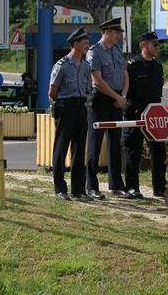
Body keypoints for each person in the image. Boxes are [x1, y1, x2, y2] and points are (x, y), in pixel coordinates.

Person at [86, 17, 129, 200]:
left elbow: (125, 74)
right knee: (95, 143)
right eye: (117, 32)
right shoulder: (94, 52)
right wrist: (117, 97)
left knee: (114, 143)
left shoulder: (117, 51)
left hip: (118, 99)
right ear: (107, 32)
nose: (119, 35)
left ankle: (116, 184)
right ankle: (92, 186)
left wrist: (123, 96)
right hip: (101, 100)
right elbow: (97, 80)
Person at [48, 27, 91, 201]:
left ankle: (79, 189)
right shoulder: (62, 65)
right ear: (75, 44)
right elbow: (52, 91)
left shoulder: (86, 65)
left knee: (79, 148)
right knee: (61, 147)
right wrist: (59, 108)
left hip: (80, 106)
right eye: (85, 42)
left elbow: (87, 87)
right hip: (65, 106)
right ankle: (60, 188)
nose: (88, 45)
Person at [122, 31, 166, 199]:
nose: (157, 47)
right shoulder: (132, 65)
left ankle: (159, 187)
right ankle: (132, 187)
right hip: (135, 113)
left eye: (158, 44)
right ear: (144, 45)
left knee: (159, 151)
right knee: (133, 151)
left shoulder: (158, 67)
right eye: (154, 44)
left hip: (153, 114)